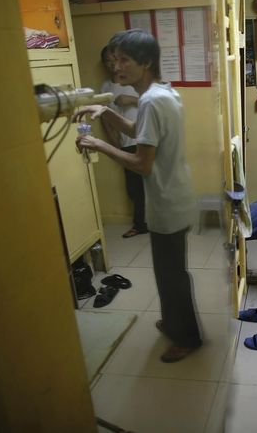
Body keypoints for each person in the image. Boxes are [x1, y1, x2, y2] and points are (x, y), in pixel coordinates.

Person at [75, 29, 201, 363]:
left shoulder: (150, 100)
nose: (116, 68)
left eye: (124, 60)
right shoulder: (162, 94)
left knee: (171, 275)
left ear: (144, 62)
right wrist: (106, 114)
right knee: (168, 272)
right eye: (114, 60)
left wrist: (99, 143)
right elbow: (140, 132)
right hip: (175, 195)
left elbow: (142, 163)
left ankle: (187, 337)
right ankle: (175, 322)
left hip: (167, 202)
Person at [99, 45, 148, 239]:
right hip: (126, 142)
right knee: (134, 188)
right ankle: (141, 225)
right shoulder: (106, 87)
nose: (113, 65)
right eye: (108, 62)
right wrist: (113, 142)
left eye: (116, 60)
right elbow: (104, 116)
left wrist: (132, 99)